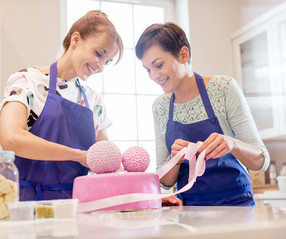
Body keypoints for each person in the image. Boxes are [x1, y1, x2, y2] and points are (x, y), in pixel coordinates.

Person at [135, 22, 270, 206]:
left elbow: (261, 161)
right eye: (148, 70)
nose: (154, 76)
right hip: (189, 209)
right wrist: (174, 159)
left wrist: (233, 144)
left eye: (159, 65)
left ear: (183, 55)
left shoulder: (223, 88)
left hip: (237, 205)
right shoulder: (160, 106)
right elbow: (165, 181)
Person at [0, 10, 123, 201]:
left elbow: (105, 162)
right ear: (76, 39)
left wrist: (145, 190)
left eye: (107, 62)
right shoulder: (27, 81)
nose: (100, 67)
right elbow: (11, 138)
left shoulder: (94, 101)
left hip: (77, 207)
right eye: (98, 54)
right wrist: (79, 156)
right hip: (26, 204)